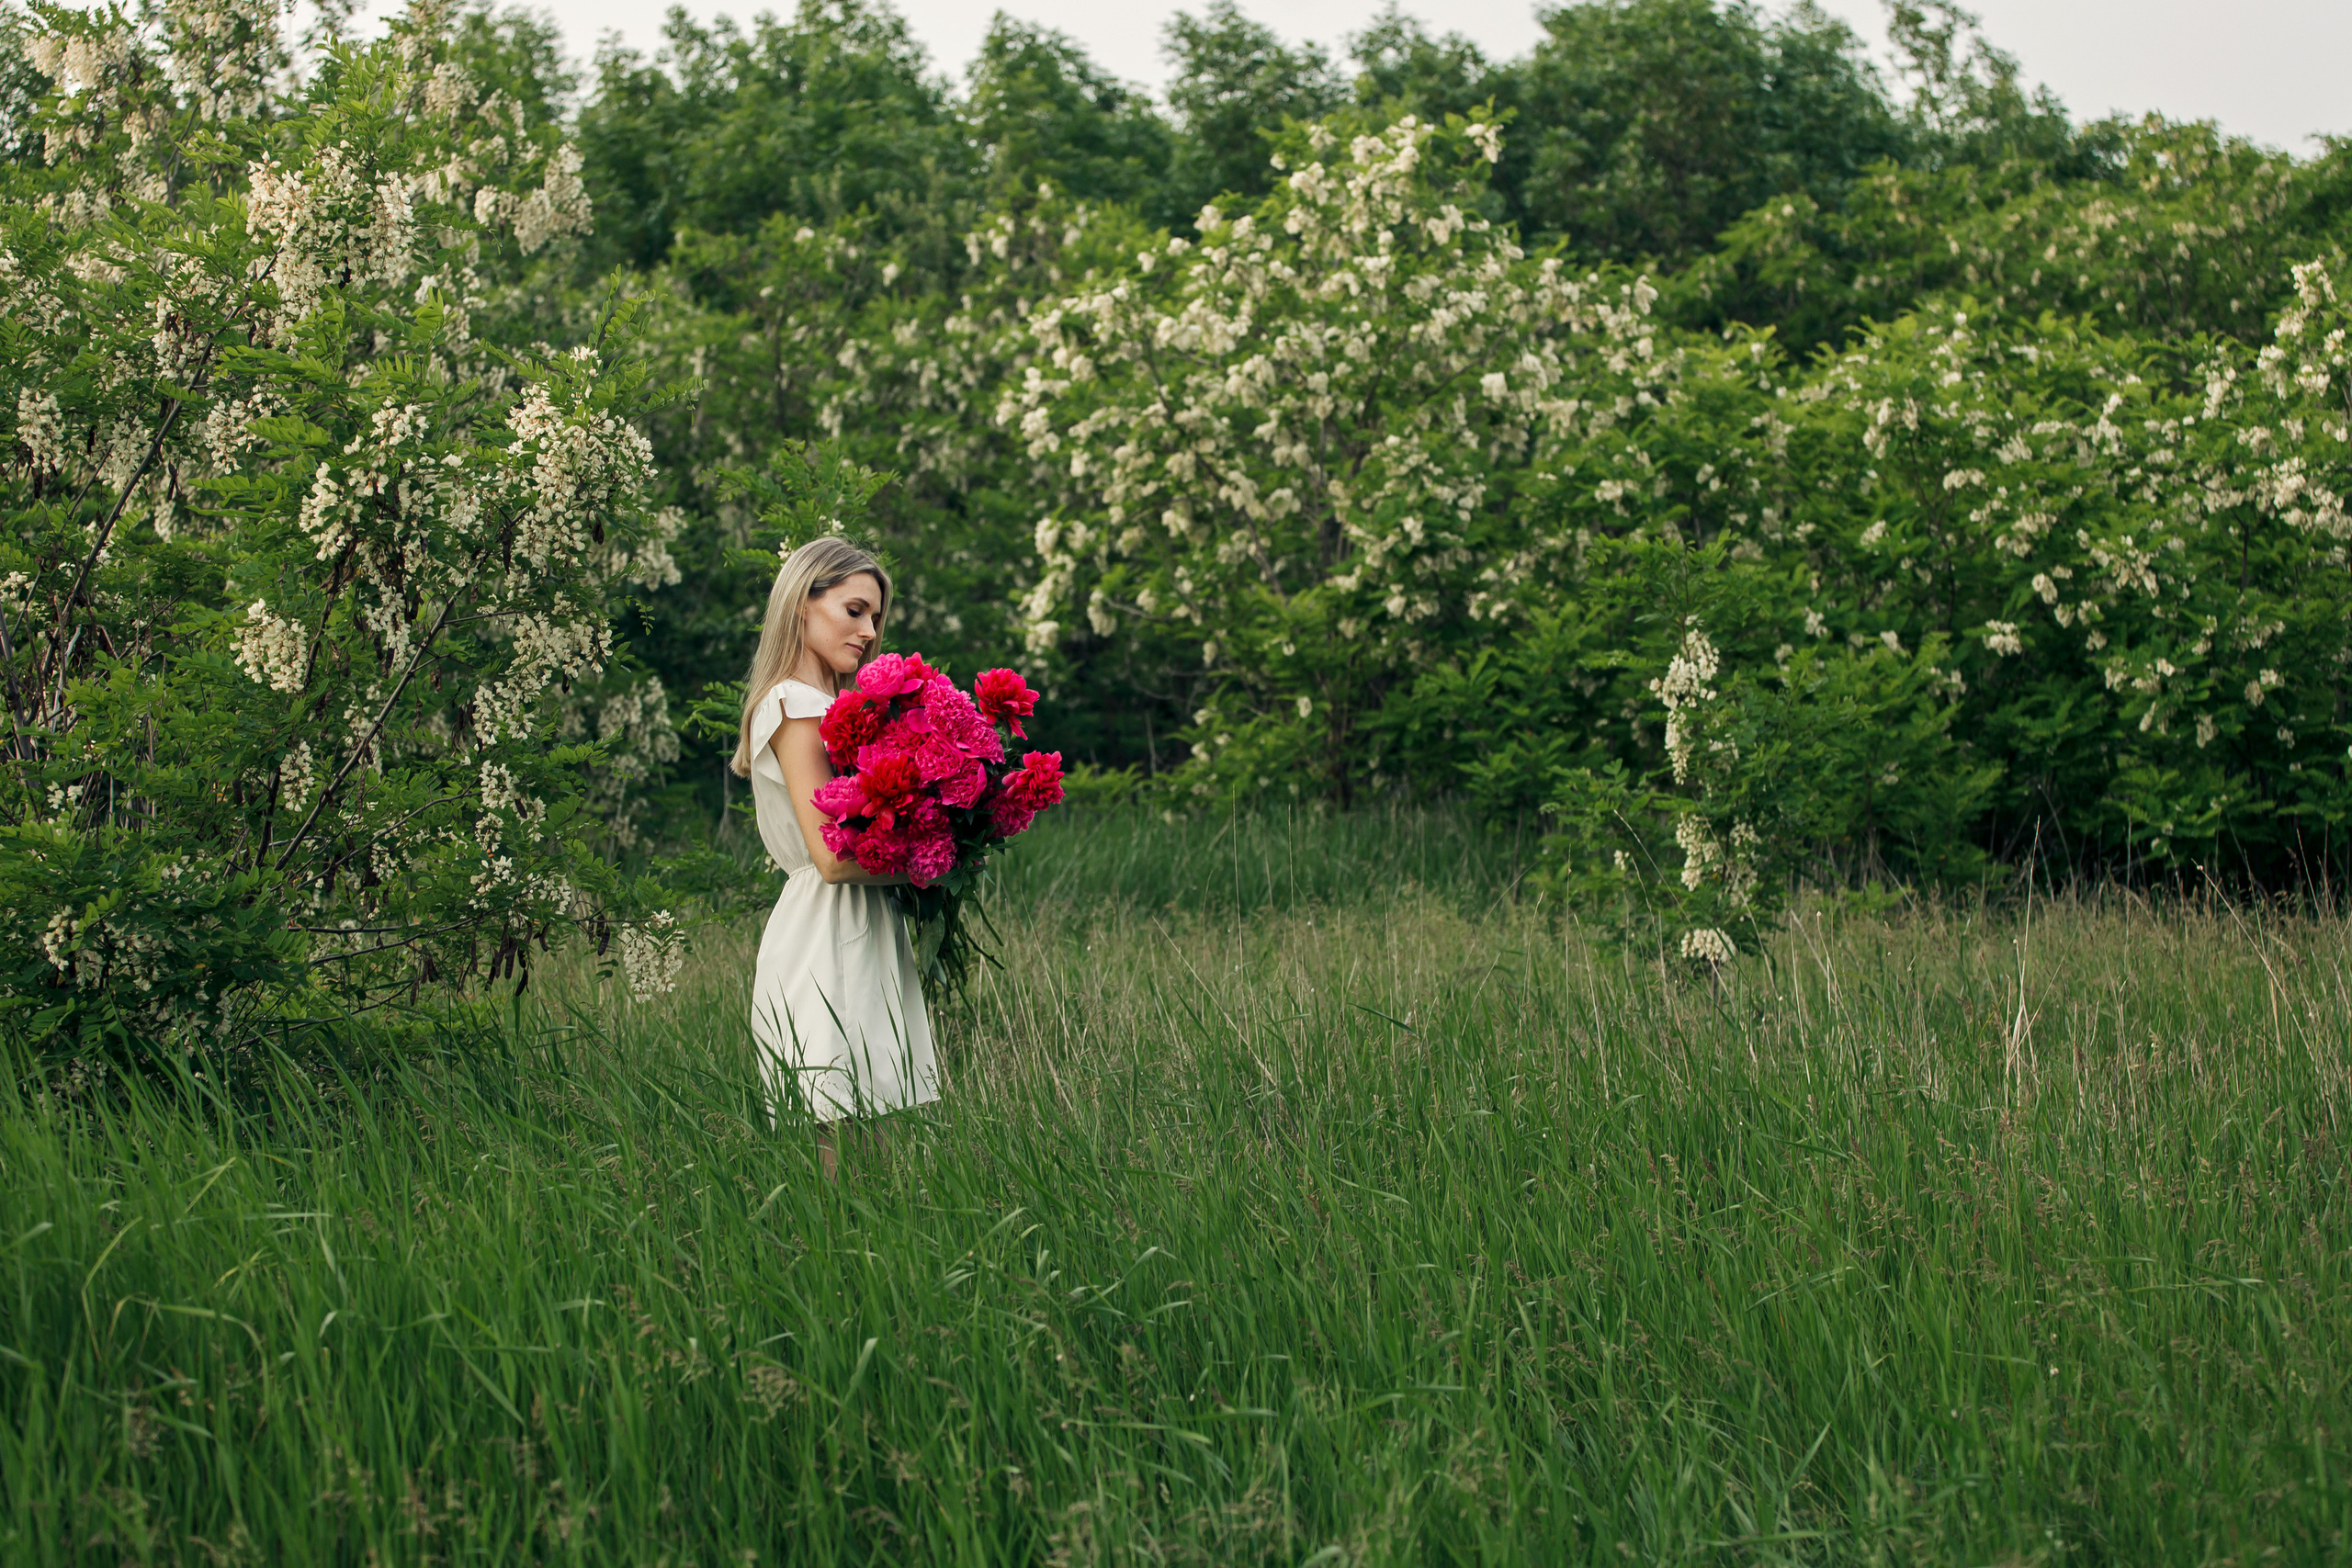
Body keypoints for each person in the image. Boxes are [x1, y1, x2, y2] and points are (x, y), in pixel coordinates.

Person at [729, 537, 936, 1175]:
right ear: (803, 603)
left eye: (875, 616)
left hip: (860, 923)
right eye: (854, 610)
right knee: (839, 1152)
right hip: (827, 928)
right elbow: (832, 859)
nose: (869, 632)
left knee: (875, 1147)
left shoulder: (840, 709)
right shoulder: (794, 706)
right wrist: (935, 858)